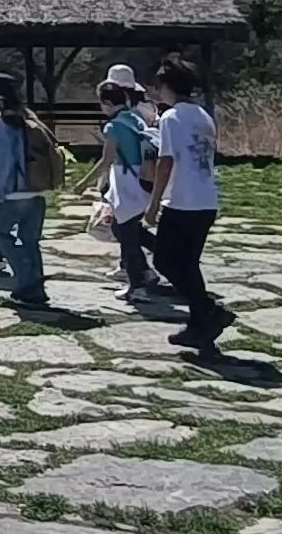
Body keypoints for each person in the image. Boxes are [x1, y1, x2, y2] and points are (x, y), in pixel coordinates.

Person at [149, 56, 233, 351]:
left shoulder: (171, 117)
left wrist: (154, 202)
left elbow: (165, 160)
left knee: (165, 261)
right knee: (187, 263)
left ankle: (208, 310)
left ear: (167, 86)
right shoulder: (203, 115)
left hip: (182, 199)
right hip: (206, 197)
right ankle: (200, 323)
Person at [0, 72, 62, 306]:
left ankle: (26, 279)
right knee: (30, 239)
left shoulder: (6, 126)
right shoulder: (29, 117)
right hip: (36, 189)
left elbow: (5, 162)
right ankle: (35, 288)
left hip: (15, 191)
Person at [95, 64, 160, 301]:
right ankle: (145, 269)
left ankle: (140, 280)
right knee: (128, 230)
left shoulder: (115, 124)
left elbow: (107, 159)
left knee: (126, 233)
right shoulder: (137, 114)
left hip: (125, 182)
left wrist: (87, 183)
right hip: (143, 179)